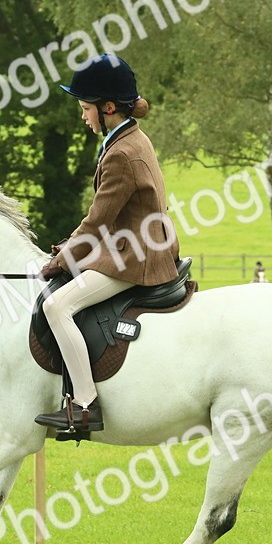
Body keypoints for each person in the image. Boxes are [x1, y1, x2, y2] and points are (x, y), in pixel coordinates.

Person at [35, 54, 180, 433]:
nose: (83, 116)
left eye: (86, 108)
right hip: (137, 244)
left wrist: (64, 258)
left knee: (56, 306)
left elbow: (98, 220)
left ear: (109, 108)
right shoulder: (130, 137)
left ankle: (84, 405)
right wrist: (70, 247)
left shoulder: (122, 154)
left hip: (137, 256)